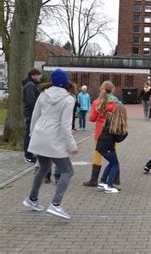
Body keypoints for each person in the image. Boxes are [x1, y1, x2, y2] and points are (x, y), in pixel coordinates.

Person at [22, 69, 78, 220]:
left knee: (44, 168)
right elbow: (65, 125)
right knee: (68, 171)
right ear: (66, 82)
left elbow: (35, 116)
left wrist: (32, 134)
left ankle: (32, 199)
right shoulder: (69, 99)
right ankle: (56, 204)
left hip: (40, 136)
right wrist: (72, 145)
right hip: (54, 140)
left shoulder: (43, 94)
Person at [83, 81, 121, 187]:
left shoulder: (97, 102)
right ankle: (115, 178)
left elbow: (92, 118)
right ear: (112, 89)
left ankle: (94, 180)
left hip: (100, 133)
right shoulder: (116, 103)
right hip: (113, 133)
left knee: (97, 155)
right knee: (113, 156)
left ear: (102, 89)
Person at [96, 104, 128, 194]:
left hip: (101, 144)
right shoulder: (118, 123)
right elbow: (118, 139)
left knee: (112, 162)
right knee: (115, 164)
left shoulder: (110, 118)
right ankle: (109, 185)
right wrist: (125, 134)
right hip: (108, 147)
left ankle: (103, 182)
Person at [22, 68, 41, 163]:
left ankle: (30, 153)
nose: (39, 77)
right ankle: (28, 155)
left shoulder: (32, 85)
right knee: (28, 134)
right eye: (37, 75)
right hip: (30, 113)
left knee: (30, 133)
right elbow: (31, 101)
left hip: (31, 113)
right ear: (32, 75)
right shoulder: (30, 85)